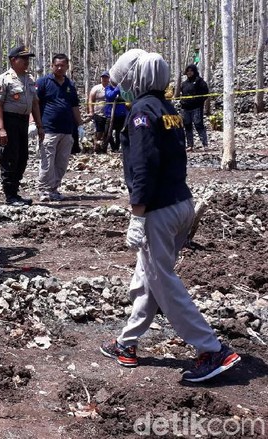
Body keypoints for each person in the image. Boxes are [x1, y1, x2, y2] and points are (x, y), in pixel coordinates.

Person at [101, 49, 240, 383]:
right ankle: (127, 343)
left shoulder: (140, 113)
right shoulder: (168, 109)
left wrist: (137, 216)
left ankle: (211, 349)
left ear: (135, 79)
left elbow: (144, 167)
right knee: (147, 279)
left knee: (162, 282)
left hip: (158, 212)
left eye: (124, 82)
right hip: (181, 204)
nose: (122, 89)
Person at [0, 45, 43, 206]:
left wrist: (40, 126)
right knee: (9, 157)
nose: (27, 62)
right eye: (24, 59)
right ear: (13, 60)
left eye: (28, 59)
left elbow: (35, 104)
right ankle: (10, 195)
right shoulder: (4, 79)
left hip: (23, 121)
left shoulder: (30, 79)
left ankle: (15, 192)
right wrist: (1, 129)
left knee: (22, 157)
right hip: (9, 121)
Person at [35, 53, 83, 202]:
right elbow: (34, 103)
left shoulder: (70, 85)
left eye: (63, 65)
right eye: (57, 65)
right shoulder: (43, 82)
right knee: (47, 161)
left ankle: (54, 189)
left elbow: (74, 106)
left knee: (61, 162)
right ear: (52, 66)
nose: (60, 68)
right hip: (48, 128)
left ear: (68, 66)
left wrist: (80, 125)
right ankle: (43, 190)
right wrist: (34, 124)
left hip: (67, 130)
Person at [179, 64, 209, 150]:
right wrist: (182, 102)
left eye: (191, 71)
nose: (189, 73)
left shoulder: (200, 81)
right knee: (187, 125)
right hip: (185, 108)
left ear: (194, 71)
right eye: (188, 71)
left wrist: (198, 101)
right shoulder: (184, 84)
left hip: (196, 107)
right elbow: (182, 94)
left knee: (198, 124)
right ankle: (190, 145)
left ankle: (205, 144)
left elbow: (206, 93)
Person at [88, 71, 110, 153]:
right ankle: (96, 148)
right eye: (103, 77)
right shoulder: (96, 88)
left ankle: (104, 148)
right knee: (99, 132)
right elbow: (90, 99)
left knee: (107, 132)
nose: (104, 79)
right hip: (98, 113)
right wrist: (91, 111)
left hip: (109, 114)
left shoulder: (111, 87)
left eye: (106, 77)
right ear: (101, 78)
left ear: (108, 78)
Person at [103, 80, 128, 152]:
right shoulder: (108, 88)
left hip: (121, 114)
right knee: (107, 132)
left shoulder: (124, 88)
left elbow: (126, 97)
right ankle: (111, 146)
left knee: (118, 133)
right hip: (110, 115)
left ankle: (116, 148)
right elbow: (109, 96)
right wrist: (117, 89)